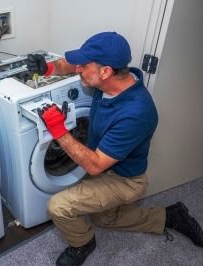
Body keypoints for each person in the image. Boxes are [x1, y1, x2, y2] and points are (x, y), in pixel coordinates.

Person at [27, 32, 203, 266]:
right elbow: (69, 65)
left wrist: (58, 130)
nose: (77, 69)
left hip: (124, 180)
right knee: (105, 219)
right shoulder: (115, 78)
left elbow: (95, 165)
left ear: (105, 71)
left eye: (84, 65)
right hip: (104, 165)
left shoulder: (137, 113)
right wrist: (48, 67)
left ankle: (83, 243)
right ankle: (169, 216)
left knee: (58, 207)